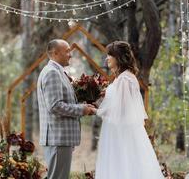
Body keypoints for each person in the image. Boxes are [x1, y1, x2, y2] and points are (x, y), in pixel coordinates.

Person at [95, 41, 164, 179]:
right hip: (118, 130)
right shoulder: (122, 78)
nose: (107, 58)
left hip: (122, 133)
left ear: (118, 57)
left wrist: (96, 110)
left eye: (110, 55)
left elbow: (121, 110)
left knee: (124, 166)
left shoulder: (124, 79)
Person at [37, 39, 96, 179]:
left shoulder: (58, 72)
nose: (70, 54)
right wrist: (81, 110)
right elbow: (55, 106)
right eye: (67, 51)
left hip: (61, 138)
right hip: (58, 138)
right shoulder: (52, 73)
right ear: (55, 53)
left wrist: (84, 107)